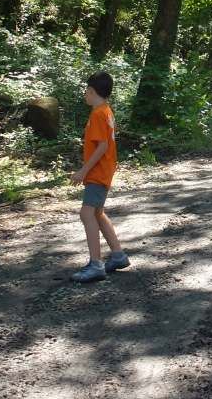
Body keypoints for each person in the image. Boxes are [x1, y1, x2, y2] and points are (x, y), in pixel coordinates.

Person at [68, 71, 129, 283]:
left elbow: (102, 146)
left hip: (98, 172)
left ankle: (95, 264)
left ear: (92, 91)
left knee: (86, 214)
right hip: (104, 170)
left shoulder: (98, 114)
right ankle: (118, 255)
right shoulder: (105, 111)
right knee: (97, 213)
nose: (85, 94)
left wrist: (83, 171)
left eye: (86, 90)